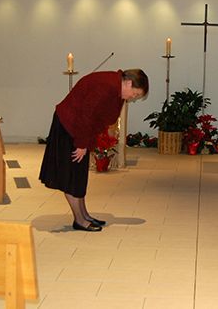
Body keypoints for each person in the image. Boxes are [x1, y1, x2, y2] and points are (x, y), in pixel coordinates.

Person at [39, 69, 149, 232]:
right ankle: (79, 220)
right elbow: (86, 115)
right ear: (128, 83)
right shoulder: (107, 86)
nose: (133, 98)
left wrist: (88, 142)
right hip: (68, 128)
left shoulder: (115, 88)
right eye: (135, 94)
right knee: (71, 176)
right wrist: (82, 144)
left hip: (78, 130)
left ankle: (84, 215)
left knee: (79, 175)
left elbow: (98, 118)